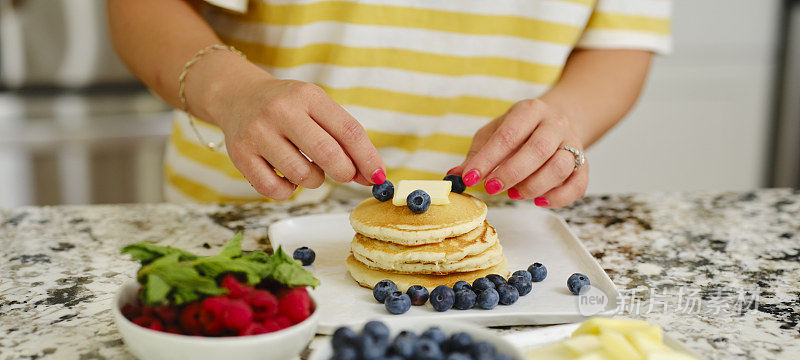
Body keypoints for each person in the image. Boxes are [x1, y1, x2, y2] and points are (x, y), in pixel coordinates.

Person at [107, 0, 671, 207]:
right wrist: (235, 93)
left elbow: (620, 41)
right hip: (246, 222)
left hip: (492, 242)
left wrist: (565, 119)